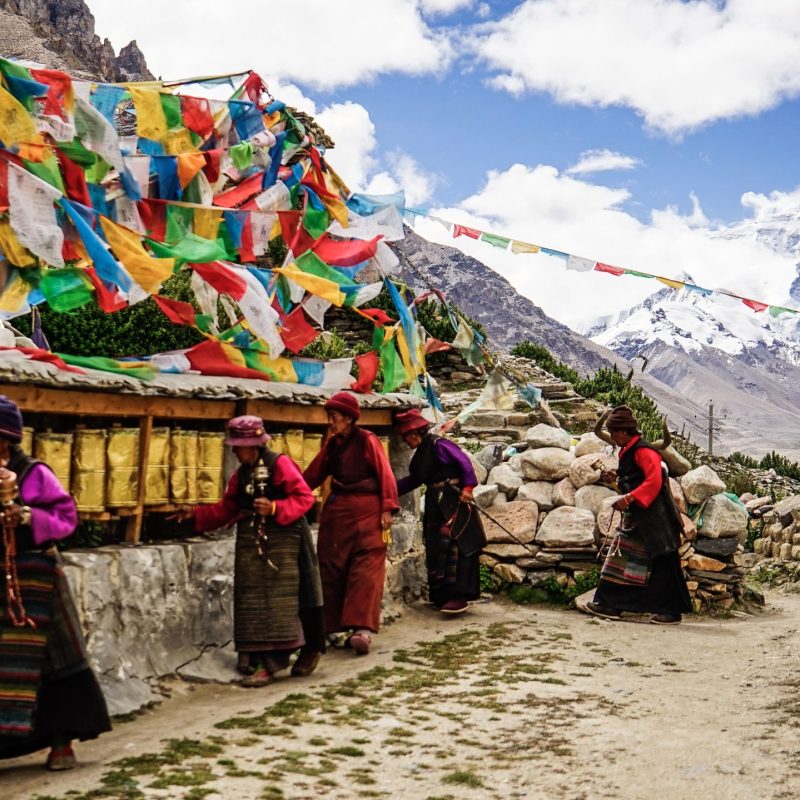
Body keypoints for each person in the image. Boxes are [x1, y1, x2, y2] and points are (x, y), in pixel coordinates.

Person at [0, 396, 111, 770]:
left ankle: (62, 741)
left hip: (38, 577)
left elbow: (65, 516)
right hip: (3, 579)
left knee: (56, 658)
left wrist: (27, 515)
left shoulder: (33, 473)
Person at [172, 416, 324, 686]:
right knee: (251, 598)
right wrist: (195, 514)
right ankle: (252, 658)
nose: (233, 450)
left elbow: (305, 498)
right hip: (251, 544)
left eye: (237, 445)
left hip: (284, 542)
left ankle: (270, 663)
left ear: (252, 446)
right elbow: (227, 508)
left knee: (278, 600)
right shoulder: (241, 474)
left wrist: (276, 508)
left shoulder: (280, 465)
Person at [303, 392, 399, 655]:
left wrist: (388, 508)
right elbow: (312, 475)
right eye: (329, 417)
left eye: (334, 417)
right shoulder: (334, 445)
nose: (331, 422)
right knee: (330, 566)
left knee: (367, 571)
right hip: (339, 516)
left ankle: (362, 630)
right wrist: (289, 494)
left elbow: (385, 473)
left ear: (348, 418)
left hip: (369, 514)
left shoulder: (367, 440)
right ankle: (330, 626)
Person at [587, 405, 692, 625]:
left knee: (663, 562)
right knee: (623, 559)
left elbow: (653, 482)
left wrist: (627, 498)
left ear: (625, 431)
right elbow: (635, 476)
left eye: (614, 432)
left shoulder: (645, 452)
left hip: (656, 518)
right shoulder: (629, 450)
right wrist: (616, 476)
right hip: (641, 516)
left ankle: (670, 611)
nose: (613, 437)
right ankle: (610, 604)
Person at [394, 408, 485, 615]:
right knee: (437, 547)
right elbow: (414, 480)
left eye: (406, 438)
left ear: (414, 434)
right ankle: (442, 595)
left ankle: (459, 596)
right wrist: (388, 489)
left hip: (455, 502)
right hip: (437, 506)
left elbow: (463, 462)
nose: (405, 442)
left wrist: (468, 487)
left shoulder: (438, 444)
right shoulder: (420, 457)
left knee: (455, 546)